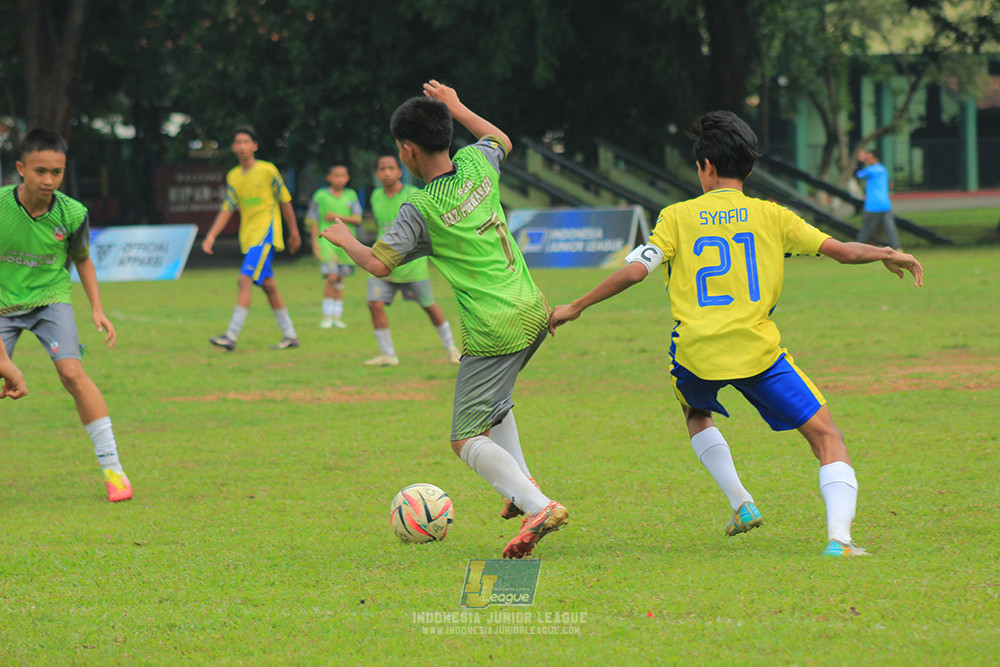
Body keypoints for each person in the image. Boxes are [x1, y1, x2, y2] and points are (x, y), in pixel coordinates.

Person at [549, 111, 923, 557]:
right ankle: (839, 539)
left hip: (696, 353)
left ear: (705, 165)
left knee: (695, 411)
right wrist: (886, 251)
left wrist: (576, 306)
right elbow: (841, 251)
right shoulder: (772, 216)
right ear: (747, 167)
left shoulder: (676, 217)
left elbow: (634, 272)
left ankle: (741, 502)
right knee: (827, 437)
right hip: (758, 353)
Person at [321, 80, 568, 559]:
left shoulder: (422, 205)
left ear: (408, 151)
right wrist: (457, 106)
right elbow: (501, 138)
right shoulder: (478, 161)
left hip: (493, 328)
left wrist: (341, 238)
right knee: (496, 404)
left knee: (464, 437)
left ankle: (537, 504)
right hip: (534, 309)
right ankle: (520, 487)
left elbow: (378, 263)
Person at [0, 129, 133, 501]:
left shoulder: (72, 213)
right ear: (20, 168)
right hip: (2, 305)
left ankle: (114, 471)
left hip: (50, 299)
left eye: (56, 172)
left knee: (72, 372)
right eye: (40, 171)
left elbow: (82, 260)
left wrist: (98, 308)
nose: (49, 180)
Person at [202, 125, 302, 350]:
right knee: (269, 286)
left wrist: (294, 231)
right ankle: (290, 336)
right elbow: (228, 208)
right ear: (233, 147)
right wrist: (211, 236)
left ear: (255, 146)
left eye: (246, 142)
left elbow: (285, 201)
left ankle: (231, 335)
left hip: (265, 236)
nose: (242, 146)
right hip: (248, 238)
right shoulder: (234, 176)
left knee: (244, 280)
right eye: (238, 142)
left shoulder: (268, 171)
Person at [362, 154, 461, 367]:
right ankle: (388, 354)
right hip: (384, 262)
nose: (386, 173)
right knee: (374, 304)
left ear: (400, 171)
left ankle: (452, 348)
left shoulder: (414, 194)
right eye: (382, 169)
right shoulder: (376, 196)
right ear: (377, 173)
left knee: (429, 306)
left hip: (411, 265)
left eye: (391, 168)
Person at [304, 165, 362, 329]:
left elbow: (357, 219)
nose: (339, 179)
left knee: (340, 279)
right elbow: (313, 221)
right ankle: (327, 315)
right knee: (331, 276)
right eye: (336, 176)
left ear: (348, 178)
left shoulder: (351, 195)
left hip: (346, 243)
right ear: (329, 178)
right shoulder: (320, 196)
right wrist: (315, 243)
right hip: (327, 242)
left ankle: (337, 316)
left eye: (342, 176)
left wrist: (337, 217)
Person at [855, 149, 900, 249]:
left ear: (875, 158)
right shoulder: (883, 168)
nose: (867, 159)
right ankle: (897, 248)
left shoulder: (871, 170)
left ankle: (857, 248)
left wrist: (861, 161)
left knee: (866, 229)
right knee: (890, 229)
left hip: (873, 205)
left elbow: (858, 174)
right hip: (885, 204)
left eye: (869, 158)